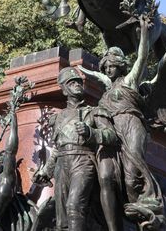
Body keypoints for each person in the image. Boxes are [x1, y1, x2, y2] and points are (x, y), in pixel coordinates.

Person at [97, 15, 165, 229]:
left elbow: (142, 57)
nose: (108, 69)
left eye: (112, 65)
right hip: (113, 130)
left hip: (132, 126)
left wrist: (144, 33)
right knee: (113, 178)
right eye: (106, 66)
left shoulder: (130, 81)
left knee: (131, 176)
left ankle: (146, 214)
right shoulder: (106, 91)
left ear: (120, 65)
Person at [34, 66, 117, 231]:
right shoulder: (57, 118)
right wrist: (46, 171)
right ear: (64, 90)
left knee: (74, 205)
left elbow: (112, 136)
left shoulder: (94, 112)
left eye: (79, 82)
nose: (77, 85)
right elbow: (57, 148)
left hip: (83, 160)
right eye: (72, 83)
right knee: (62, 215)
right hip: (62, 164)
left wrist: (91, 132)